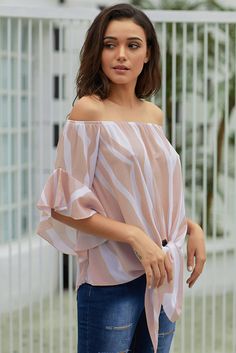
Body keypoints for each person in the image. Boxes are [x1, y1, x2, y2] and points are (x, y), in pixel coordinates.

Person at [36, 3, 206, 353]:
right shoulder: (88, 112)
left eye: (133, 45)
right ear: (97, 52)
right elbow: (61, 205)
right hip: (111, 278)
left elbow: (141, 197)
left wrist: (190, 227)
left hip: (162, 272)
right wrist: (133, 236)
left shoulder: (152, 115)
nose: (121, 55)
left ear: (147, 54)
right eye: (110, 44)